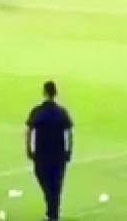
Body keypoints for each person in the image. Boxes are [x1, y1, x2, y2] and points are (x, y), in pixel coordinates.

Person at [26, 81, 73, 221]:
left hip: (42, 153)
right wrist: (68, 150)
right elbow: (69, 132)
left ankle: (52, 212)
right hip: (58, 153)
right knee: (56, 183)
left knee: (45, 179)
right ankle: (53, 211)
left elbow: (30, 131)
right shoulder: (61, 112)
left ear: (44, 92)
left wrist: (29, 148)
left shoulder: (38, 111)